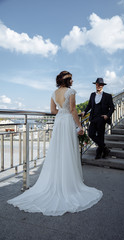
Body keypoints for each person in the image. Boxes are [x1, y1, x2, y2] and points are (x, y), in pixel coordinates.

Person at [7, 71, 103, 216]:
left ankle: (56, 180)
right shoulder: (71, 91)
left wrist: (62, 114)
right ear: (68, 80)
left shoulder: (54, 92)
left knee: (58, 151)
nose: (73, 81)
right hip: (67, 123)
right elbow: (72, 110)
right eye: (72, 79)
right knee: (68, 150)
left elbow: (53, 110)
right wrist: (79, 126)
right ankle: (68, 183)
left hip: (59, 123)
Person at [81, 78, 114, 159]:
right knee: (91, 134)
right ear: (95, 85)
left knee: (100, 136)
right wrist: (84, 111)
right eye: (97, 84)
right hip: (93, 117)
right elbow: (89, 105)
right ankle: (105, 149)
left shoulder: (107, 96)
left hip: (102, 118)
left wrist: (107, 115)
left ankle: (99, 153)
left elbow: (112, 107)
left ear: (102, 86)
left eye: (100, 85)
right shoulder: (92, 95)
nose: (98, 86)